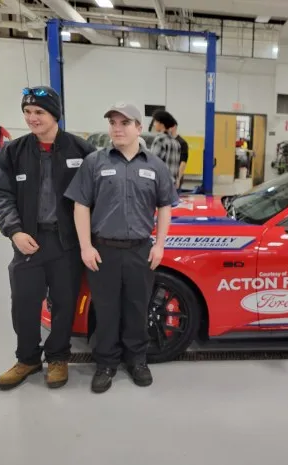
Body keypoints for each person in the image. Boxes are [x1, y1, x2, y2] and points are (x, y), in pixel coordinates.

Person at [64, 102, 178, 394]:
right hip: (104, 251)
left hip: (141, 250)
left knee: (137, 308)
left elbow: (165, 206)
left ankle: (137, 360)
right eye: (113, 123)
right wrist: (86, 247)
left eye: (124, 123)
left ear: (139, 128)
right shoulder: (95, 163)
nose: (117, 128)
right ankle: (105, 364)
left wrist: (160, 245)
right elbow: (80, 205)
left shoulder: (155, 166)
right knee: (106, 310)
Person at [0, 86, 95, 390]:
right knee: (24, 302)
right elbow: (1, 193)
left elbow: (97, 196)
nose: (32, 118)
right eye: (27, 112)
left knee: (64, 303)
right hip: (28, 242)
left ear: (55, 115)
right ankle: (27, 359)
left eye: (39, 112)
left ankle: (58, 358)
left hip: (67, 244)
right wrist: (15, 231)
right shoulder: (13, 152)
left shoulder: (81, 150)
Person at [150, 110, 187, 191]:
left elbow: (152, 163)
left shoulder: (160, 139)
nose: (154, 124)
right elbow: (177, 165)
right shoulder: (176, 142)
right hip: (172, 184)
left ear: (161, 124)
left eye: (155, 122)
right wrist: (177, 180)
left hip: (160, 184)